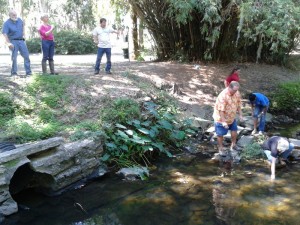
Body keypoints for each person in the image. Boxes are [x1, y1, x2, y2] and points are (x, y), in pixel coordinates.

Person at [213, 81, 243, 156]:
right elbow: (221, 110)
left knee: (234, 130)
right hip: (221, 119)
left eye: (236, 90)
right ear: (229, 87)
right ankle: (220, 148)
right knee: (220, 134)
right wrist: (223, 122)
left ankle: (233, 145)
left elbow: (239, 104)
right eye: (234, 90)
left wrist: (240, 115)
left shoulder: (237, 93)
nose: (235, 92)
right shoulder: (223, 96)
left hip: (232, 117)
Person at [2, 9, 32, 76]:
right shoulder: (6, 23)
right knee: (14, 58)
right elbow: (4, 34)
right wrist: (8, 43)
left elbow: (23, 26)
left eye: (16, 15)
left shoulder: (19, 20)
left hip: (21, 41)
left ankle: (28, 72)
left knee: (26, 56)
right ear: (9, 15)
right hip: (13, 41)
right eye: (13, 15)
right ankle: (14, 73)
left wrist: (24, 34)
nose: (15, 16)